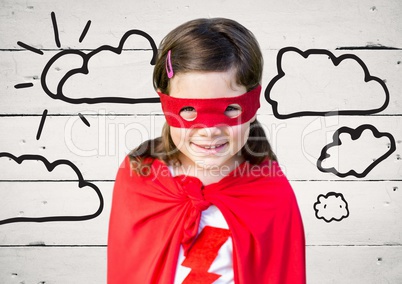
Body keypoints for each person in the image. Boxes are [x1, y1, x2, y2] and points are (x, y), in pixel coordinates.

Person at [108, 18, 305, 284]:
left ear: (254, 102)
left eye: (230, 109)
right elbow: (128, 272)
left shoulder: (268, 190)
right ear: (164, 102)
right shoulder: (140, 176)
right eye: (189, 110)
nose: (210, 131)